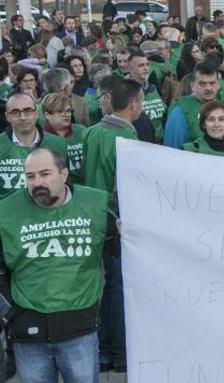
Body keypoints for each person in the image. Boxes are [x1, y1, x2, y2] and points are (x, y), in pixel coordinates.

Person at [0, 148, 112, 383]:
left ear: (64, 174)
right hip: (27, 331)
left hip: (79, 329)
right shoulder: (7, 212)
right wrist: (10, 313)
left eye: (45, 174)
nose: (37, 182)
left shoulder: (95, 206)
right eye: (30, 177)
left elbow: (125, 246)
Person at [81, 77, 142, 374]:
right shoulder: (128, 140)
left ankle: (103, 349)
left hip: (92, 217)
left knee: (101, 287)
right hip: (116, 221)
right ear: (134, 103)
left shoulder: (91, 132)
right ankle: (119, 351)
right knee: (117, 288)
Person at [0, 94, 67, 200]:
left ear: (36, 113)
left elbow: (65, 185)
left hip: (48, 212)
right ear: (7, 116)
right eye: (15, 112)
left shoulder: (57, 144)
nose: (22, 117)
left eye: (27, 111)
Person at [163, 62, 220, 148]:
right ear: (192, 86)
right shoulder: (180, 111)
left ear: (218, 85)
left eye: (212, 83)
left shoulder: (221, 107)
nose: (208, 88)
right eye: (202, 84)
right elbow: (172, 151)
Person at [41, 93, 86, 184]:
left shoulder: (82, 131)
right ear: (47, 115)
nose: (66, 115)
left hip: (82, 187)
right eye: (60, 111)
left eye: (68, 111)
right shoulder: (40, 137)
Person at [127, 50, 164, 142]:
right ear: (130, 68)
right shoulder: (124, 91)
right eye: (141, 65)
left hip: (159, 144)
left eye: (147, 64)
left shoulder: (153, 88)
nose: (146, 68)